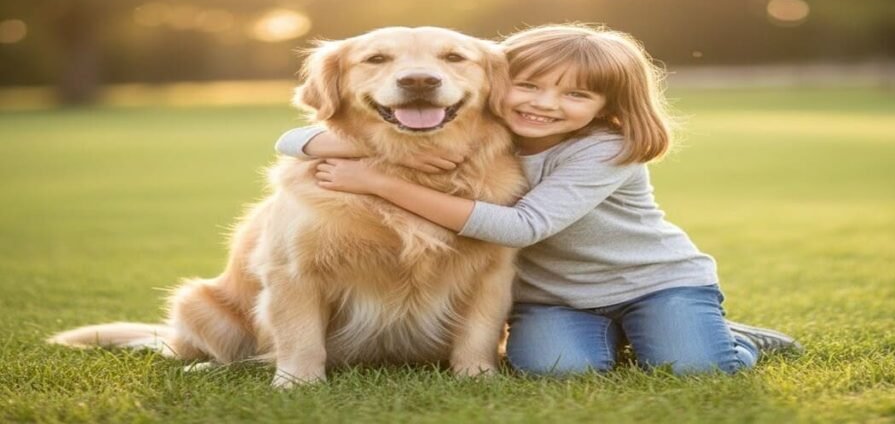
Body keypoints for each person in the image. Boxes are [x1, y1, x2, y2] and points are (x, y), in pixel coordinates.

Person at [275, 24, 802, 376]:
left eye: (576, 95)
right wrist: (315, 143)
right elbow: (299, 136)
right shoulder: (491, 132)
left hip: (651, 283)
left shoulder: (604, 150)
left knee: (694, 366)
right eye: (531, 86)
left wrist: (380, 181)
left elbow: (520, 228)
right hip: (556, 298)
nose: (545, 104)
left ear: (605, 107)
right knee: (556, 371)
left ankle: (731, 337)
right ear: (504, 85)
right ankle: (640, 334)